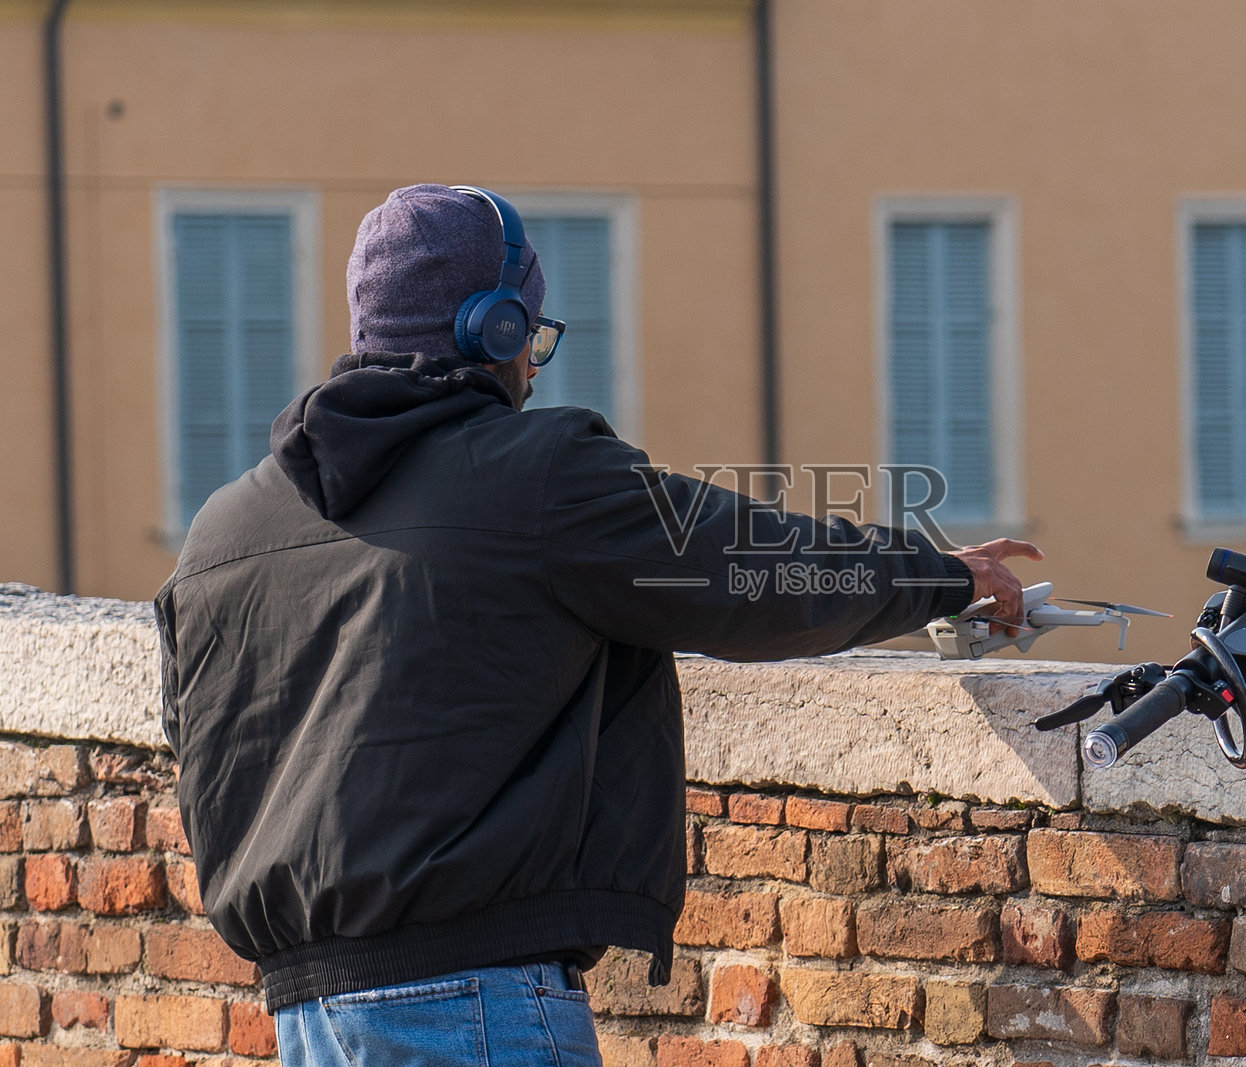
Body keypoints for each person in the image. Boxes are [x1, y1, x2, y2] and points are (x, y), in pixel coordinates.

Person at [155, 184, 1041, 1066]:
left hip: (306, 1015)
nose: (534, 367)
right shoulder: (538, 474)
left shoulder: (221, 531)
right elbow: (745, 568)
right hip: (474, 1006)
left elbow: (199, 752)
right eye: (531, 336)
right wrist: (937, 576)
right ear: (494, 328)